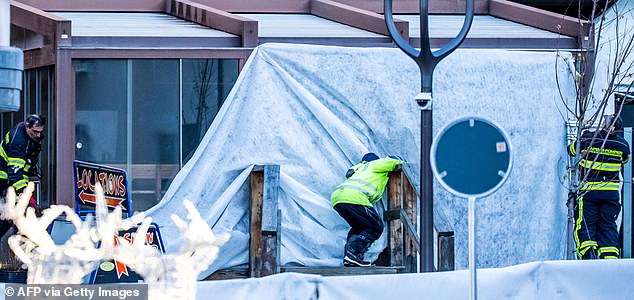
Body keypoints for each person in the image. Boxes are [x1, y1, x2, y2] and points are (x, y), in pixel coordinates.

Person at [567, 114, 630, 259]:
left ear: (605, 125)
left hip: (590, 191)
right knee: (608, 225)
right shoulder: (623, 145)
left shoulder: (588, 138)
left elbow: (571, 150)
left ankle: (589, 257)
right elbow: (625, 160)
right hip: (611, 193)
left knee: (586, 224)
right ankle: (610, 259)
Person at [330, 153, 406, 267]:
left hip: (338, 198)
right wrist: (399, 159)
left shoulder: (358, 168)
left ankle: (351, 258)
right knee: (375, 226)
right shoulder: (374, 164)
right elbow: (392, 162)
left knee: (359, 227)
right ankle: (353, 255)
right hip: (354, 197)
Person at [0, 114, 46, 238]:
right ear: (27, 127)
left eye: (40, 132)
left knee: (13, 216)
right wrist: (26, 195)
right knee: (6, 217)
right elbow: (15, 172)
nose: (38, 135)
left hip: (13, 181)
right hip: (4, 181)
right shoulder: (18, 141)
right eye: (35, 131)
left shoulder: (31, 137)